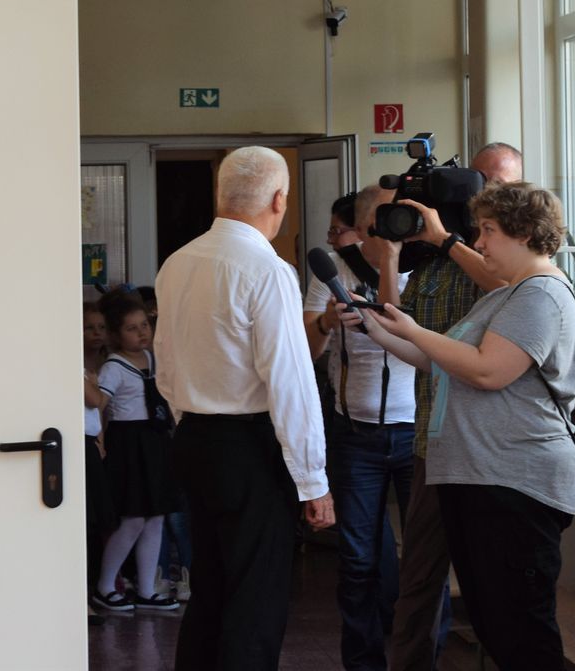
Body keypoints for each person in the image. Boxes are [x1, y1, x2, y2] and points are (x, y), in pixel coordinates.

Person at [341, 181, 575, 671]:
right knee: (497, 625)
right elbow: (441, 361)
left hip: (514, 480)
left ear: (524, 233)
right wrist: (377, 327)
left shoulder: (541, 294)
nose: (480, 242)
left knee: (522, 633)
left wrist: (413, 329)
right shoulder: (510, 294)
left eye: (489, 231)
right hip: (482, 477)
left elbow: (488, 371)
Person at [155, 146, 335, 670]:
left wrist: (190, 419)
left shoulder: (177, 263)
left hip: (194, 439)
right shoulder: (267, 269)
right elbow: (290, 381)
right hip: (249, 448)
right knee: (255, 600)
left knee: (210, 590)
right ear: (279, 199)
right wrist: (313, 480)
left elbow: (165, 364)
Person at [376, 142, 523, 671]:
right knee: (418, 579)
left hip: (492, 450)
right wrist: (390, 258)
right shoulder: (435, 265)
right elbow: (407, 332)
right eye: (481, 183)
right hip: (432, 443)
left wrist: (447, 240)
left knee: (496, 580)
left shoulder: (518, 258)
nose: (488, 195)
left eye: (501, 185)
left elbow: (508, 284)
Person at [304, 184, 415, 671]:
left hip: (417, 432)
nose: (396, 229)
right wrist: (328, 322)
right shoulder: (331, 269)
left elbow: (397, 330)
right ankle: (363, 662)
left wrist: (391, 263)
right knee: (356, 561)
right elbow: (306, 349)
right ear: (365, 226)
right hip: (355, 434)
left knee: (424, 560)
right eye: (386, 220)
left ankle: (420, 660)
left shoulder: (426, 270)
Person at [86, 296, 181, 613]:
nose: (141, 333)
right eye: (131, 329)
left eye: (144, 326)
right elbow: (100, 406)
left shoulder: (153, 359)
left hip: (155, 441)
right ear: (116, 335)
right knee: (133, 519)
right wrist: (100, 441)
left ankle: (146, 589)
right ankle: (105, 586)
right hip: (129, 444)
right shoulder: (114, 367)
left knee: (156, 517)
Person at [82, 302, 112, 627]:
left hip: (91, 444)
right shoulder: (74, 363)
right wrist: (97, 390)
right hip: (79, 446)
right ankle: (85, 595)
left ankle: (93, 590)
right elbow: (95, 400)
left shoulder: (99, 366)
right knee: (87, 523)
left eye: (101, 328)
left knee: (99, 522)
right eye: (89, 327)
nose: (96, 334)